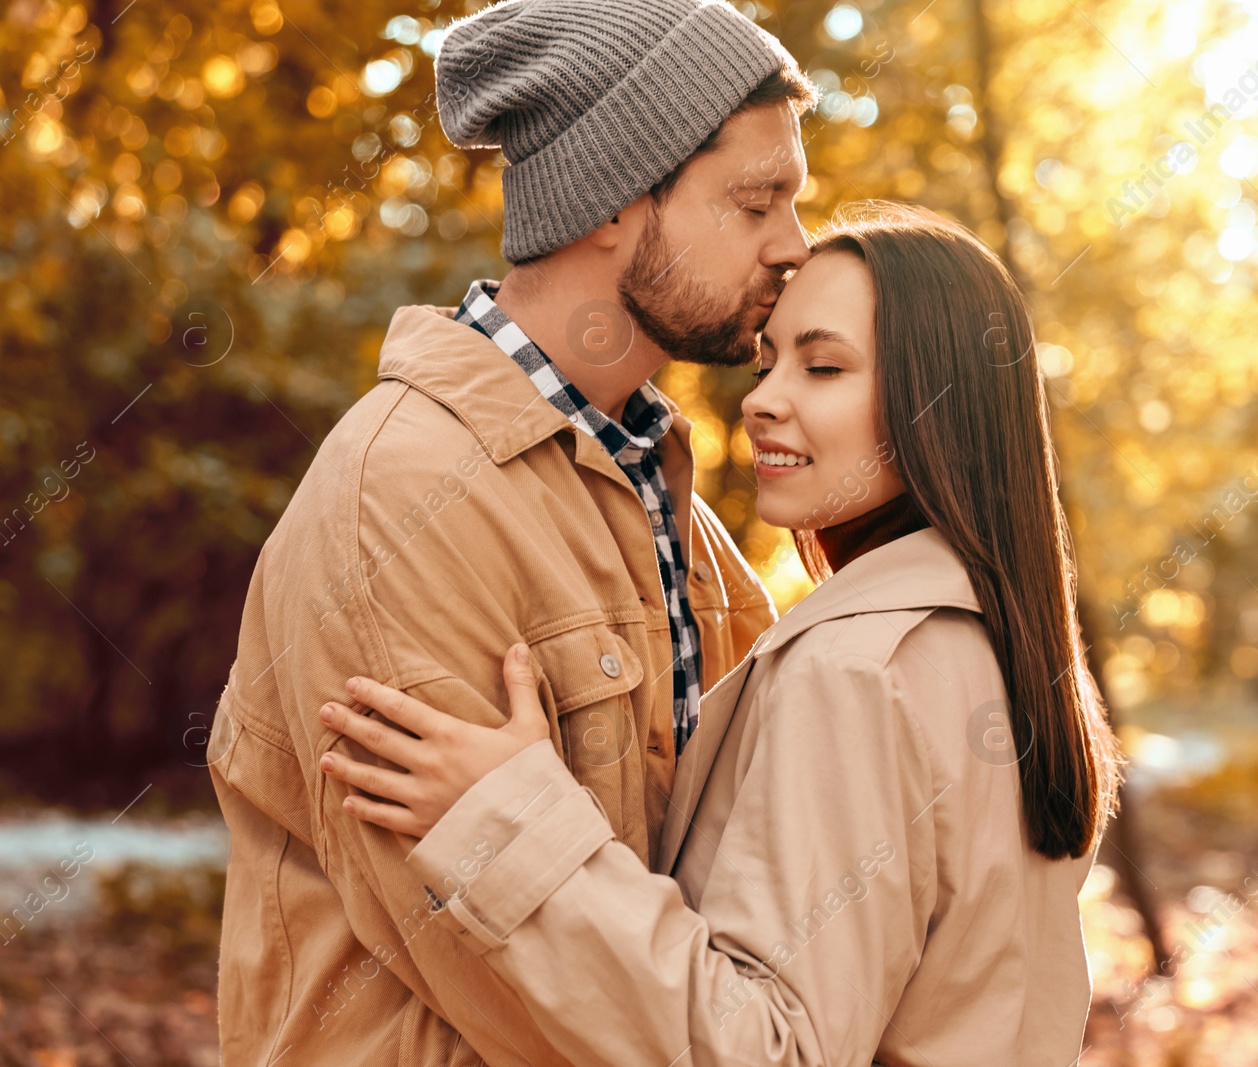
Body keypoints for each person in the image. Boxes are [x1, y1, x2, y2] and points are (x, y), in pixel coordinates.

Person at [317, 203, 1123, 1065]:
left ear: (938, 402)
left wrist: (507, 827)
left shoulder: (855, 668)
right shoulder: (989, 643)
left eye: (823, 367)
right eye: (770, 360)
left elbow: (770, 1049)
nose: (764, 400)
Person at [208, 1, 818, 1062]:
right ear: (612, 203)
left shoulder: (674, 513)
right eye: (757, 201)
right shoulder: (397, 503)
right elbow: (514, 989)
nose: (794, 246)